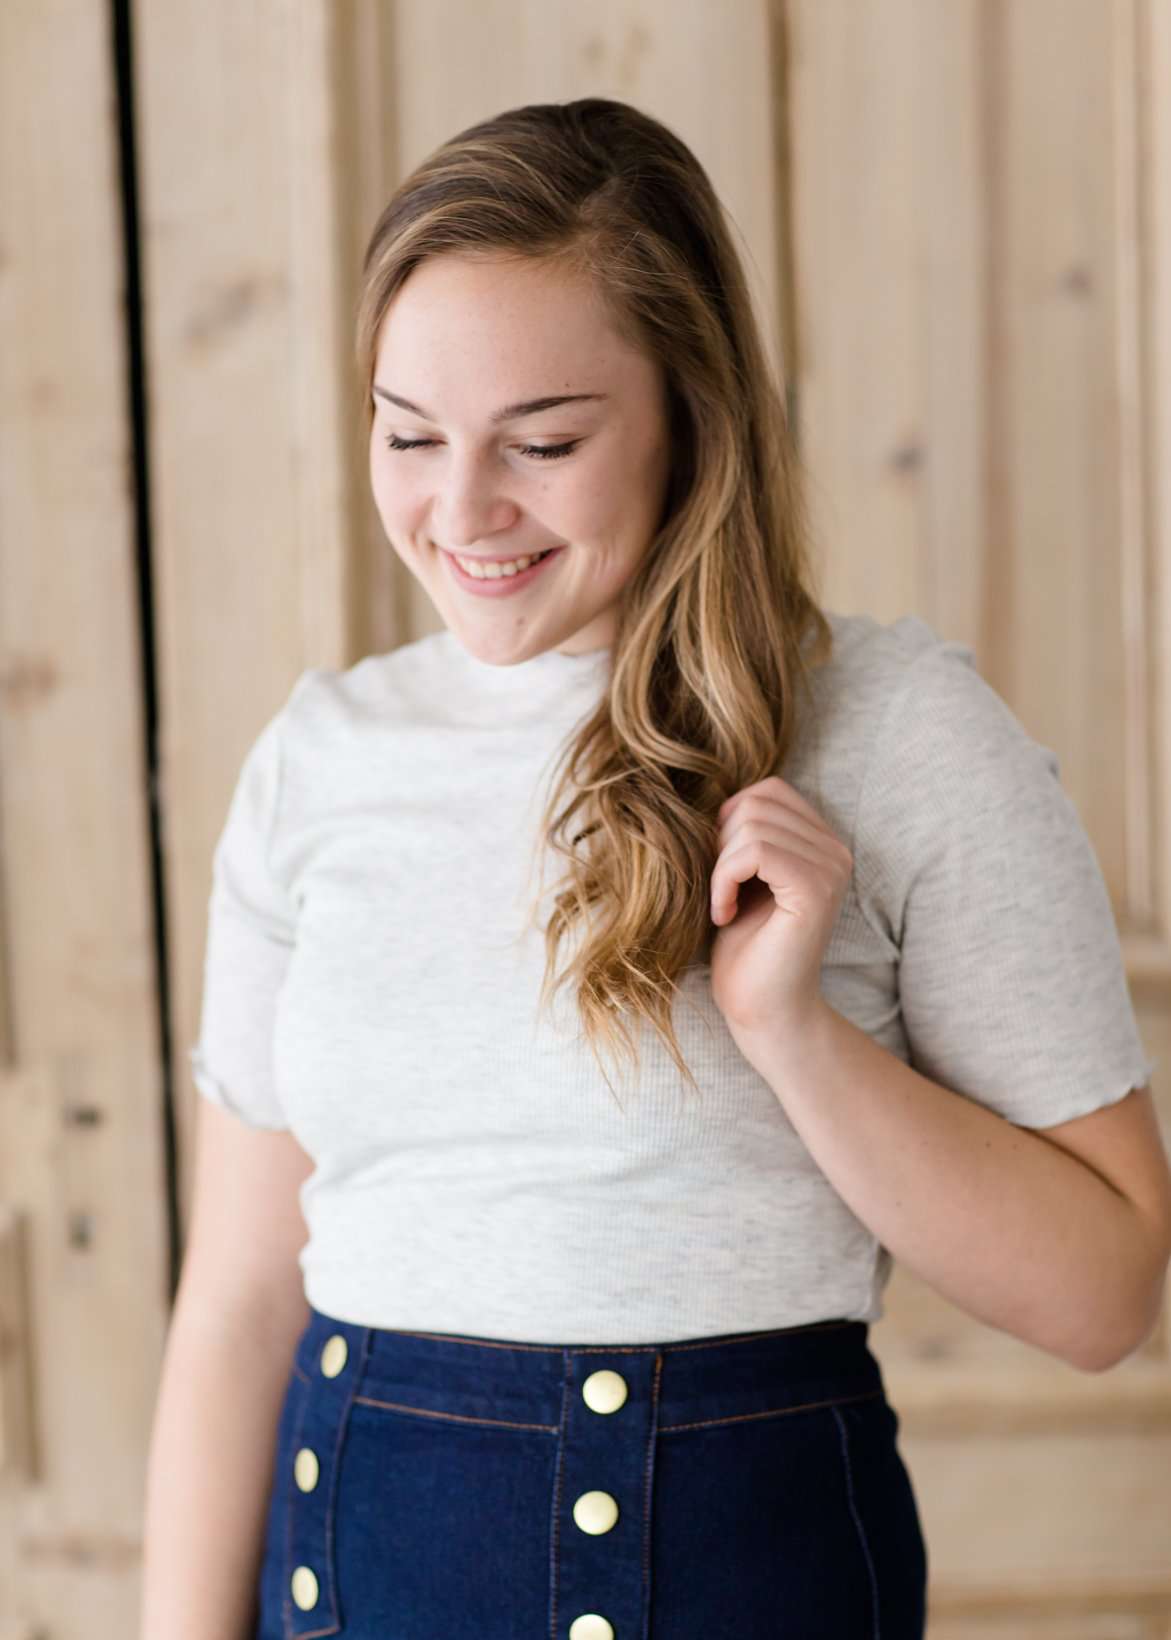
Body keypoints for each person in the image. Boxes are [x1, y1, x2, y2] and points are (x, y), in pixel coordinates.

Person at [140, 98, 1168, 1639]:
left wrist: (793, 1034)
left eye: (542, 443)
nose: (462, 511)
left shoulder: (895, 735)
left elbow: (1104, 1295)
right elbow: (234, 1306)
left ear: (691, 408)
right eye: (408, 432)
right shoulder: (320, 762)